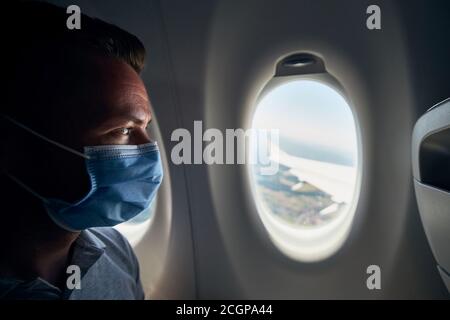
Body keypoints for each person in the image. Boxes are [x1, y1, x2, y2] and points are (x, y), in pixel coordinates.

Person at [0, 1, 163, 299]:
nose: (149, 149)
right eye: (123, 130)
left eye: (145, 127)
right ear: (17, 145)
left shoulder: (116, 252)